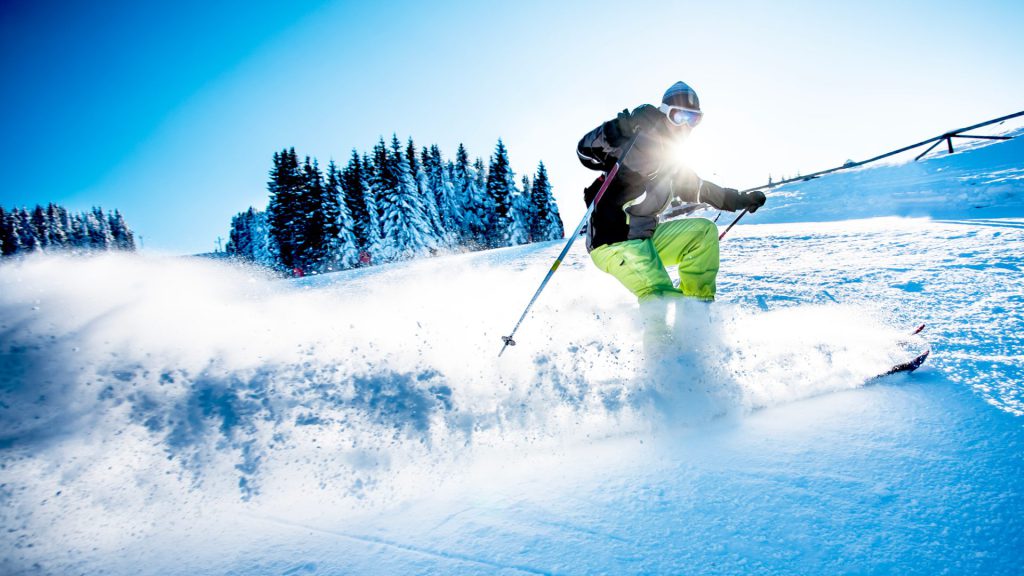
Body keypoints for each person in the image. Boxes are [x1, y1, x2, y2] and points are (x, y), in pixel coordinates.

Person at [577, 81, 766, 303]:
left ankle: (696, 311)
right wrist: (615, 130)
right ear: (665, 113)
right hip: (613, 240)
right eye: (680, 116)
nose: (686, 125)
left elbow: (699, 189)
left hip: (644, 238)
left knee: (703, 233)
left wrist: (740, 200)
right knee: (661, 296)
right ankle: (665, 336)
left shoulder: (671, 162)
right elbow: (585, 151)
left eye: (694, 119)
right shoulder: (634, 137)